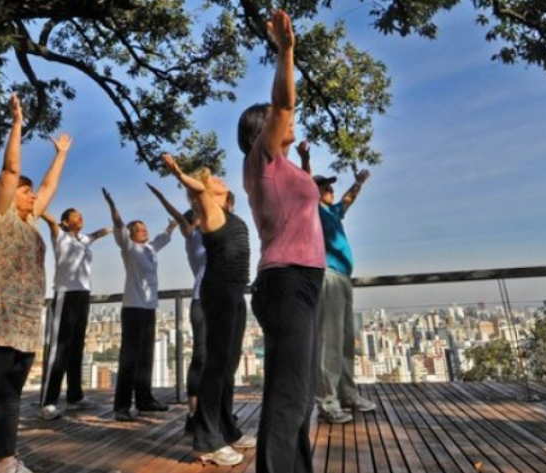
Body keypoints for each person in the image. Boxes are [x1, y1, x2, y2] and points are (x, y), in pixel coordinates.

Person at [0, 94, 73, 473]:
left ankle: (5, 461)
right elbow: (9, 170)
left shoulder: (29, 222)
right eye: (25, 190)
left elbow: (50, 190)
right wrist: (17, 124)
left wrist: (62, 154)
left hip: (23, 324)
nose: (32, 195)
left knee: (10, 396)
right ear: (5, 197)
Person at [238, 10, 326, 473]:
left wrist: (307, 159)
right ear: (262, 130)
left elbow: (306, 204)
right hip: (285, 282)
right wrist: (286, 52)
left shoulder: (288, 169)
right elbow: (284, 102)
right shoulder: (261, 160)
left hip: (306, 284)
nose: (288, 119)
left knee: (300, 393)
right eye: (274, 119)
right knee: (290, 396)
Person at [162, 155, 254, 466]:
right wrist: (178, 172)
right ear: (203, 189)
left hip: (234, 293)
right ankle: (206, 441)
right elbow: (196, 192)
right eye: (212, 179)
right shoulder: (209, 210)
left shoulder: (227, 212)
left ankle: (226, 430)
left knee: (228, 366)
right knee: (216, 367)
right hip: (218, 292)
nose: (218, 179)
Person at [297, 141, 376, 424]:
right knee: (329, 341)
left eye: (331, 188)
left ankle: (347, 394)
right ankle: (327, 402)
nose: (330, 191)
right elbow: (306, 181)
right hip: (327, 276)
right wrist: (305, 157)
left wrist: (359, 183)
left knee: (344, 340)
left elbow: (348, 200)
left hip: (343, 278)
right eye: (325, 187)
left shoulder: (332, 212)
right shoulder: (311, 209)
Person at [102, 187, 176, 422]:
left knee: (146, 357)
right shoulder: (129, 248)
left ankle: (144, 400)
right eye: (141, 229)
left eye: (146, 229)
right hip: (133, 308)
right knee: (130, 358)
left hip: (149, 308)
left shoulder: (151, 249)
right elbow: (119, 226)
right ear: (132, 233)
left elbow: (164, 237)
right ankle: (122, 406)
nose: (145, 232)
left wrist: (172, 225)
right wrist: (112, 205)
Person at [36, 209, 112, 420]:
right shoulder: (60, 236)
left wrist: (112, 227)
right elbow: (50, 220)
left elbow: (96, 234)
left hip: (83, 294)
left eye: (82, 215)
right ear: (65, 222)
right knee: (59, 349)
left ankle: (75, 397)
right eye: (75, 216)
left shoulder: (84, 239)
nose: (81, 218)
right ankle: (47, 403)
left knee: (77, 346)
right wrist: (39, 206)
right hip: (65, 295)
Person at [146, 183, 203, 432]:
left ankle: (211, 411)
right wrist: (161, 194)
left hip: (218, 300)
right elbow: (181, 216)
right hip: (202, 300)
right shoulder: (192, 237)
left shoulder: (213, 233)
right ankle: (193, 413)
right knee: (201, 358)